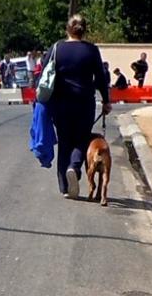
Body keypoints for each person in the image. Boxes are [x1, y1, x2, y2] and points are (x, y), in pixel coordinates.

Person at [40, 14, 111, 199]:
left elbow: (44, 68)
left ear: (67, 29)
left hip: (61, 103)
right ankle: (74, 167)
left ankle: (64, 187)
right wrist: (106, 100)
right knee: (81, 139)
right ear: (84, 30)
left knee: (64, 141)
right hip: (84, 103)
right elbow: (101, 77)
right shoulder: (91, 50)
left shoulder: (57, 48)